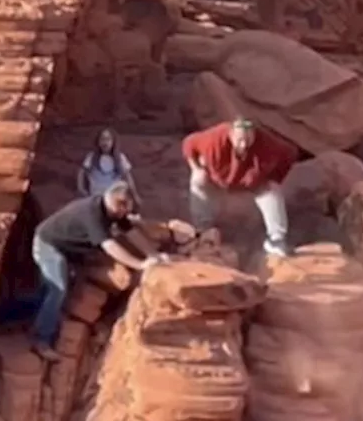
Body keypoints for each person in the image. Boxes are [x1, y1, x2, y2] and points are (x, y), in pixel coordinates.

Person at [30, 182, 167, 361]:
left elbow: (131, 233)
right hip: (49, 245)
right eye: (126, 209)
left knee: (48, 293)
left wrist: (154, 254)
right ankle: (41, 340)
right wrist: (139, 265)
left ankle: (14, 317)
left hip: (67, 248)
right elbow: (109, 245)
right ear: (119, 204)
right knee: (58, 289)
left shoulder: (112, 210)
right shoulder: (92, 213)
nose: (127, 214)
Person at [181, 117, 297, 258]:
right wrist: (196, 168)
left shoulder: (266, 141)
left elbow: (290, 153)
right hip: (218, 178)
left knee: (272, 189)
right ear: (231, 134)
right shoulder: (215, 138)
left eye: (248, 140)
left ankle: (276, 239)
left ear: (254, 134)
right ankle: (202, 229)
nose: (243, 145)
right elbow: (188, 144)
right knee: (198, 179)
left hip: (253, 180)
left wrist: (276, 178)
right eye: (239, 140)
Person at [78, 128, 142, 203]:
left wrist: (134, 195)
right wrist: (81, 188)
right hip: (96, 197)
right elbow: (82, 172)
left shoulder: (120, 158)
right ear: (98, 142)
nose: (105, 142)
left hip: (114, 198)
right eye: (102, 139)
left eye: (108, 139)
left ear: (113, 142)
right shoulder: (92, 157)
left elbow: (128, 177)